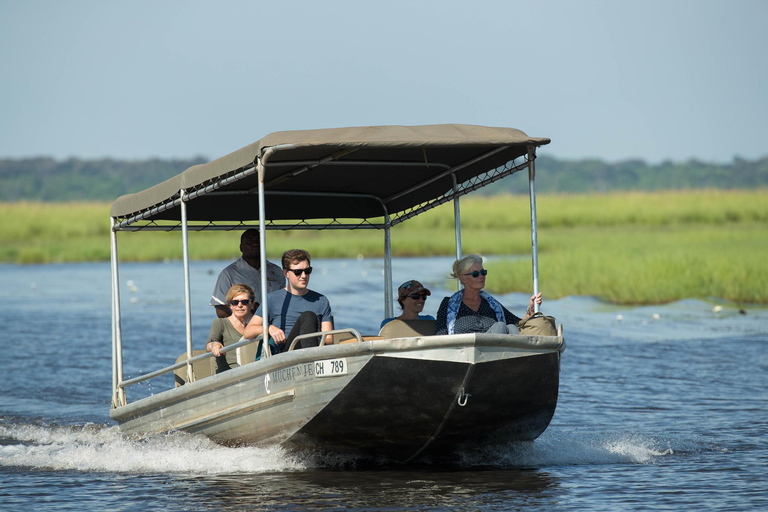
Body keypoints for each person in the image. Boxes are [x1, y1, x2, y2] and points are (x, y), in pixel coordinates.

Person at [244, 249, 333, 358]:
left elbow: (329, 339)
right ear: (286, 273)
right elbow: (248, 332)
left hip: (313, 350)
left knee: (309, 317)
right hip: (285, 354)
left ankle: (311, 359)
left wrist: (314, 339)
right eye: (298, 272)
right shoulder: (272, 299)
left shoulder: (321, 300)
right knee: (308, 316)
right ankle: (311, 360)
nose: (304, 275)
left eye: (307, 271)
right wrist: (269, 328)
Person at [435, 254, 542, 335]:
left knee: (512, 328)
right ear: (463, 278)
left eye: (483, 272)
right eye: (475, 274)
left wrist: (530, 311)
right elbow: (440, 335)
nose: (481, 276)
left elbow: (517, 323)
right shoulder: (448, 304)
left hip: (495, 354)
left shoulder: (491, 304)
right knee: (500, 326)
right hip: (464, 352)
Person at [210, 228, 285, 318]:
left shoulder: (276, 271)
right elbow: (220, 310)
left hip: (274, 327)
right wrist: (246, 310)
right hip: (243, 329)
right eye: (249, 242)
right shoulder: (229, 273)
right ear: (241, 248)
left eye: (258, 240)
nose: (255, 244)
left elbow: (283, 301)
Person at [206, 284, 255, 373]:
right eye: (235, 302)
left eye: (244, 302)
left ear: (252, 304)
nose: (239, 305)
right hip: (229, 375)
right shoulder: (220, 323)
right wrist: (214, 345)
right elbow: (209, 345)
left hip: (253, 371)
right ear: (230, 305)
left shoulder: (257, 324)